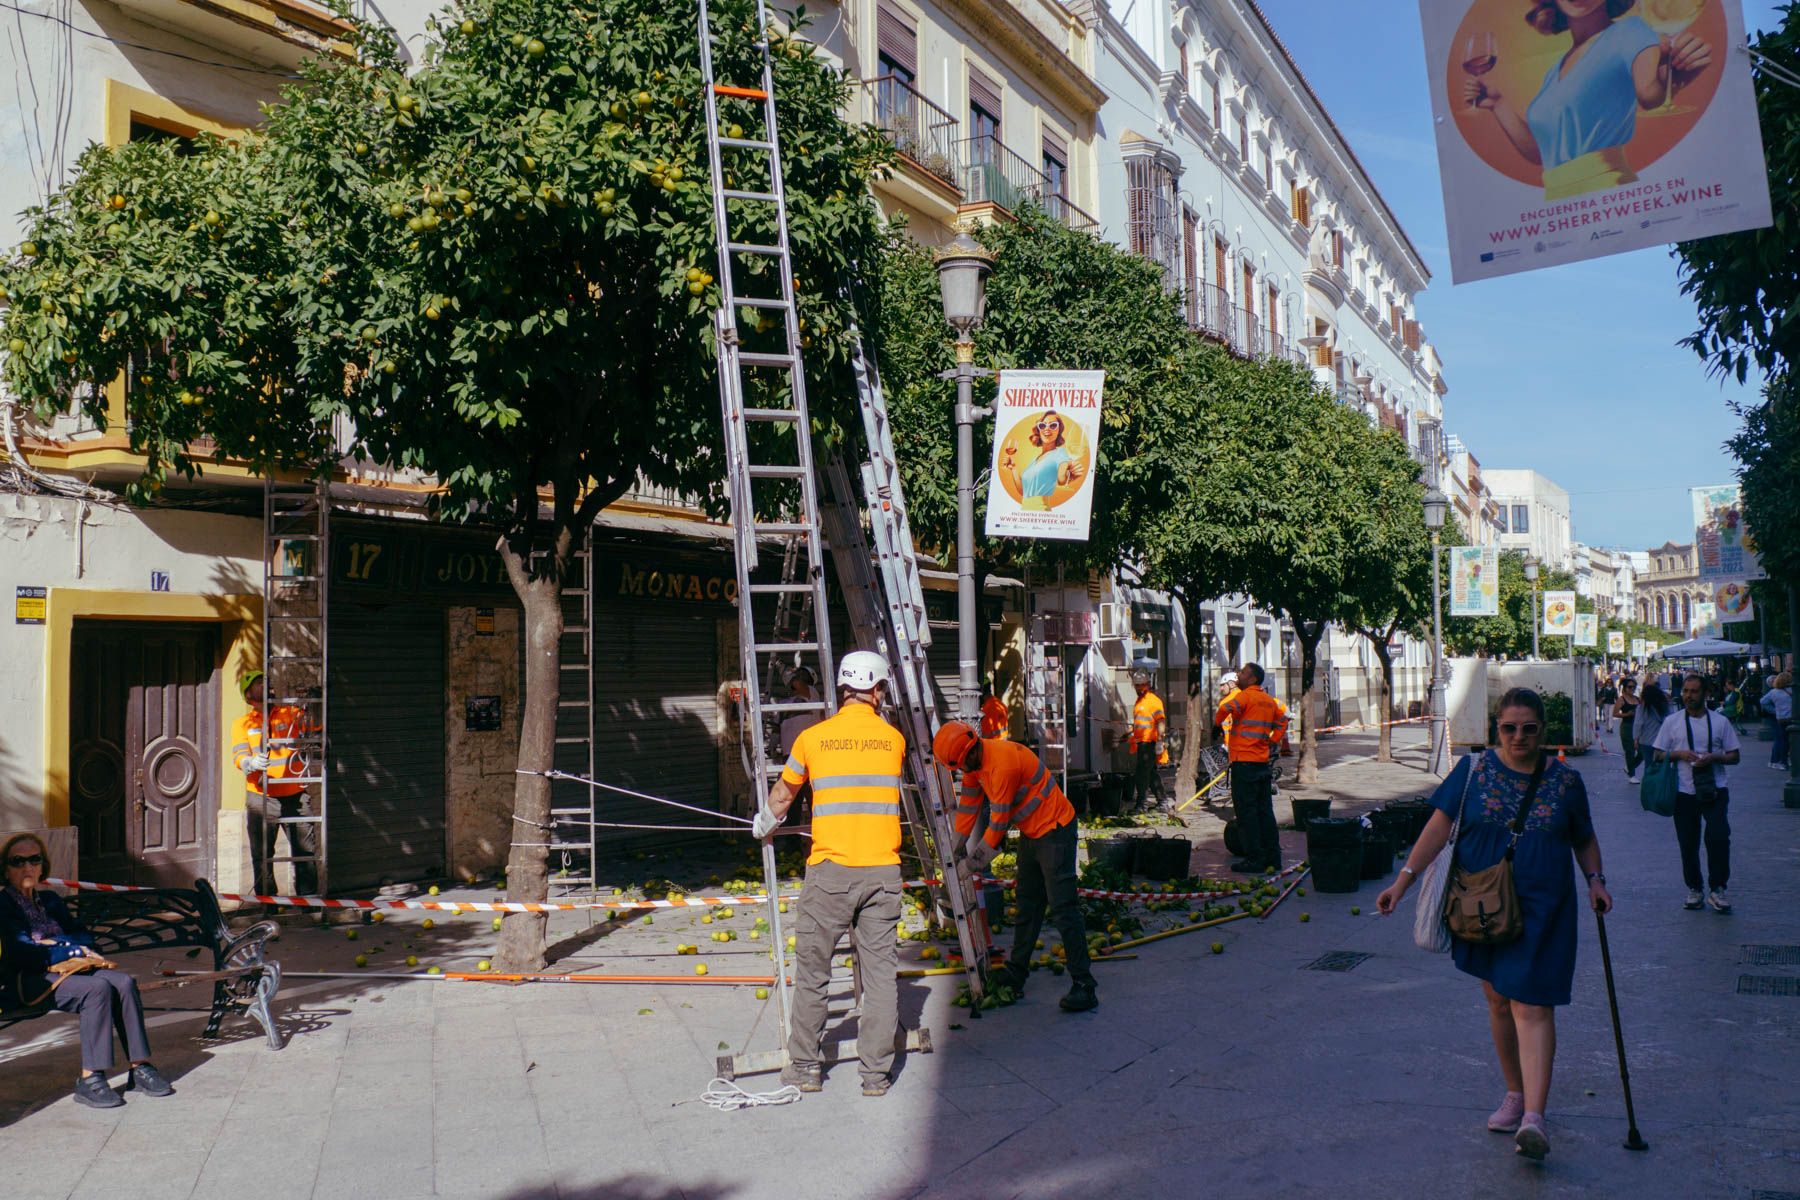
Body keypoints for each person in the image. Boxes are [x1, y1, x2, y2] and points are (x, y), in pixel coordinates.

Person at [1376, 688, 1611, 1162]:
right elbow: (1439, 828)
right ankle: (1514, 1093)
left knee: (1531, 1003)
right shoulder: (1474, 771)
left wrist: (1596, 881)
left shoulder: (1565, 781)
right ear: (1496, 729)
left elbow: (1583, 838)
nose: (1519, 736)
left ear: (1543, 730)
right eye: (1509, 728)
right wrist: (1402, 882)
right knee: (1498, 998)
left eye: (1528, 728)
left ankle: (1535, 1119)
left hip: (1544, 907)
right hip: (1480, 903)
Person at [754, 650, 904, 1097]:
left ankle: (805, 1068)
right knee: (879, 978)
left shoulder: (813, 739)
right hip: (882, 874)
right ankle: (875, 1076)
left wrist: (764, 822)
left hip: (830, 873)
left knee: (814, 972)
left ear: (842, 689)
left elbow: (783, 796)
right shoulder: (892, 740)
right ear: (877, 690)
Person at [1463, 0, 1713, 201]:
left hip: (1605, 186)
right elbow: (1541, 152)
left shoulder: (1630, 30)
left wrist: (1676, 77)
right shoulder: (1555, 70)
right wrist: (1497, 104)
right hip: (1557, 196)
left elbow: (1649, 95)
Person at [932, 722, 1097, 1013]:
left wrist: (966, 868)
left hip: (1055, 830)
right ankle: (1016, 972)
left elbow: (997, 827)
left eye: (958, 767)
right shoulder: (975, 766)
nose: (960, 772)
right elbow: (969, 807)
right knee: (1027, 905)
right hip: (1033, 832)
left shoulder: (1001, 766)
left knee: (1063, 908)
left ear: (967, 754)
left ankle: (1084, 985)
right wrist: (953, 848)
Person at [0, 834, 175, 1109]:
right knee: (97, 989)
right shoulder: (4, 905)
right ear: (6, 869)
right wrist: (70, 950)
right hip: (29, 980)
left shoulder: (50, 901)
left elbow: (85, 938)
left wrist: (58, 945)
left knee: (124, 983)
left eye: (34, 860)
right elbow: (22, 952)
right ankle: (90, 1078)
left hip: (68, 971)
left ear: (42, 864)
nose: (27, 867)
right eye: (17, 861)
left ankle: (140, 1067)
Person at [1653, 673, 1740, 913]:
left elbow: (1735, 756)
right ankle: (1694, 888)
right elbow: (1657, 754)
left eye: (1694, 691)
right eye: (1685, 692)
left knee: (1719, 838)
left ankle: (1718, 888)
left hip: (1715, 789)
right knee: (1688, 843)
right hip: (1684, 791)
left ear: (1705, 694)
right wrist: (1679, 754)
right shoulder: (1672, 722)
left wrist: (1714, 757)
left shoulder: (1720, 722)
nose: (1688, 696)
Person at [232, 669, 319, 896]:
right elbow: (238, 755)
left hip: (295, 794)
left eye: (266, 681)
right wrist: (248, 762)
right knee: (261, 856)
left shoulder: (289, 714)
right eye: (259, 682)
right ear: (248, 692)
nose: (266, 684)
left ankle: (309, 902)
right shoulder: (242, 724)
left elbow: (315, 729)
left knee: (305, 853)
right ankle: (268, 905)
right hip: (261, 797)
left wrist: (312, 704)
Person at [1214, 663, 1289, 874]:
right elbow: (1284, 719)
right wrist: (1273, 740)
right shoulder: (1268, 700)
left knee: (1247, 814)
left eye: (1244, 673)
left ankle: (1254, 859)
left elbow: (1224, 709)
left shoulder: (1244, 697)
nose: (1240, 675)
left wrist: (1216, 722)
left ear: (1253, 679)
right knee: (1265, 812)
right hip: (1261, 764)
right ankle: (1273, 858)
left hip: (1243, 764)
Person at [1002, 411, 1086, 511]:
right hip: (1024, 510)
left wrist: (1070, 477)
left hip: (1041, 510)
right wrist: (1013, 469)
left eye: (1053, 425)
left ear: (1059, 430)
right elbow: (1024, 492)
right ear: (1039, 430)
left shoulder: (1060, 453)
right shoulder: (1035, 459)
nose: (1047, 429)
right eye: (1042, 426)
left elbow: (1061, 479)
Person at [1128, 669, 1172, 811]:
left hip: (1149, 743)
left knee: (1141, 775)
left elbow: (1160, 721)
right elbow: (1140, 722)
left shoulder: (1153, 701)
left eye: (1142, 685)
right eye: (1137, 685)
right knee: (1151, 774)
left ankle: (1142, 804)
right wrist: (1128, 733)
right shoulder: (1139, 701)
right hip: (1141, 742)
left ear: (1148, 684)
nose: (1139, 688)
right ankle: (1162, 801)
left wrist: (1160, 740)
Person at [1633, 680, 1672, 786]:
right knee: (1662, 764)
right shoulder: (1664, 707)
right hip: (1662, 741)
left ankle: (1648, 786)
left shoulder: (1641, 708)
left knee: (1648, 765)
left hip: (1646, 741)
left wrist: (1635, 738)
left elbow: (1638, 724)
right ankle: (1662, 785)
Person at [1762, 671, 1792, 771]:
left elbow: (1763, 701)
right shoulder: (1792, 690)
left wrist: (1775, 710)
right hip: (1792, 718)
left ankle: (1782, 762)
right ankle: (1787, 760)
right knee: (1789, 740)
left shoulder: (1773, 692)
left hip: (1781, 719)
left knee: (1782, 740)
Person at [1612, 677, 1641, 782]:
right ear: (1624, 688)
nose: (1632, 689)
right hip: (1627, 726)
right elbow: (1615, 714)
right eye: (1630, 687)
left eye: (1634, 687)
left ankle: (1629, 767)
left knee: (1642, 751)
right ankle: (1632, 775)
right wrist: (1626, 714)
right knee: (1630, 751)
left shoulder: (1637, 699)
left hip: (1638, 727)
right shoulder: (1621, 699)